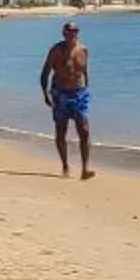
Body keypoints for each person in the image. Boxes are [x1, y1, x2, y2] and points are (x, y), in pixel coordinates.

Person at [39, 19, 92, 179]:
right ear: (63, 33)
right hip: (60, 93)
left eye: (75, 31)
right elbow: (45, 72)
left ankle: (85, 169)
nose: (71, 34)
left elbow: (84, 71)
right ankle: (65, 165)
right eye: (68, 31)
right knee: (61, 131)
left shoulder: (83, 49)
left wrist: (86, 88)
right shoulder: (56, 50)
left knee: (84, 130)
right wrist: (45, 93)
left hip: (79, 93)